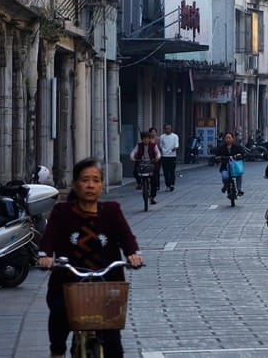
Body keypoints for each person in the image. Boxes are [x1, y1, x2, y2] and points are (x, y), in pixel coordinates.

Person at [37, 158, 142, 358]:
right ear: (75, 184)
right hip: (68, 284)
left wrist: (133, 254)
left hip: (107, 285)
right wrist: (46, 256)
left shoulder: (111, 210)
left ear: (102, 184)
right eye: (85, 180)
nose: (90, 185)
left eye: (96, 180)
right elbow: (48, 238)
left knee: (114, 347)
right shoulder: (62, 212)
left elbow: (126, 236)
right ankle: (56, 352)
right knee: (59, 314)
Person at [129, 132, 160, 205]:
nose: (145, 140)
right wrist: (132, 157)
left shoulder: (153, 145)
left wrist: (157, 158)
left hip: (151, 164)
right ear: (141, 139)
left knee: (154, 180)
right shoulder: (138, 145)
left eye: (147, 138)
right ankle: (139, 183)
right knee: (135, 172)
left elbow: (158, 153)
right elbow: (133, 152)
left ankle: (153, 197)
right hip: (141, 164)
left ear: (149, 139)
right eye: (144, 138)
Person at [214, 131, 245, 196]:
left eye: (229, 137)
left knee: (239, 174)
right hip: (225, 167)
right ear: (224, 139)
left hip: (235, 166)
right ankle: (225, 186)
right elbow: (216, 156)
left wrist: (239, 155)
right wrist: (218, 158)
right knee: (225, 177)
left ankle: (239, 190)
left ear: (232, 138)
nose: (228, 139)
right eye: (226, 138)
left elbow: (242, 154)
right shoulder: (221, 148)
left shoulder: (237, 147)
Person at [157, 124, 180, 191]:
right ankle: (167, 185)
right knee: (165, 172)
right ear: (164, 129)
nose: (167, 130)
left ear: (171, 129)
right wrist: (165, 151)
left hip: (172, 156)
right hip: (164, 156)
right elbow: (161, 146)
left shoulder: (175, 136)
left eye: (169, 128)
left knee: (172, 171)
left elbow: (176, 146)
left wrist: (173, 149)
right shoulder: (162, 137)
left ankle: (172, 184)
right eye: (166, 128)